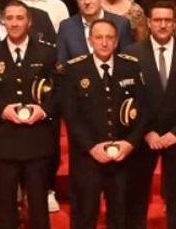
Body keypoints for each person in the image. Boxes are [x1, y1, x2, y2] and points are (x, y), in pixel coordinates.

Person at [0, 0, 59, 229]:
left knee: (39, 205)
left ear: (29, 21)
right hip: (5, 137)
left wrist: (44, 110)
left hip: (37, 138)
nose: (14, 23)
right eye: (9, 18)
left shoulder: (47, 52)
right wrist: (1, 109)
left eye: (20, 18)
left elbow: (60, 89)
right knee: (5, 205)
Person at [123, 1, 176, 229]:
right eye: (157, 20)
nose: (162, 25)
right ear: (149, 22)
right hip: (143, 137)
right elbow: (128, 99)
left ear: (174, 23)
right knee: (137, 195)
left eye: (168, 20)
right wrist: (146, 132)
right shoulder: (132, 54)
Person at [61, 18, 146, 229]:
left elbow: (144, 111)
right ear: (90, 40)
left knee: (121, 217)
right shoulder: (75, 70)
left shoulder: (131, 67)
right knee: (85, 216)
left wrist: (130, 143)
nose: (104, 42)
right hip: (87, 158)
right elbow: (71, 115)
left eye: (109, 37)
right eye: (99, 37)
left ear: (117, 41)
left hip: (123, 157)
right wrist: (91, 146)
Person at [57, 0, 134, 61]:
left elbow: (127, 64)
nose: (87, 2)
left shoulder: (121, 24)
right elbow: (62, 65)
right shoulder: (66, 27)